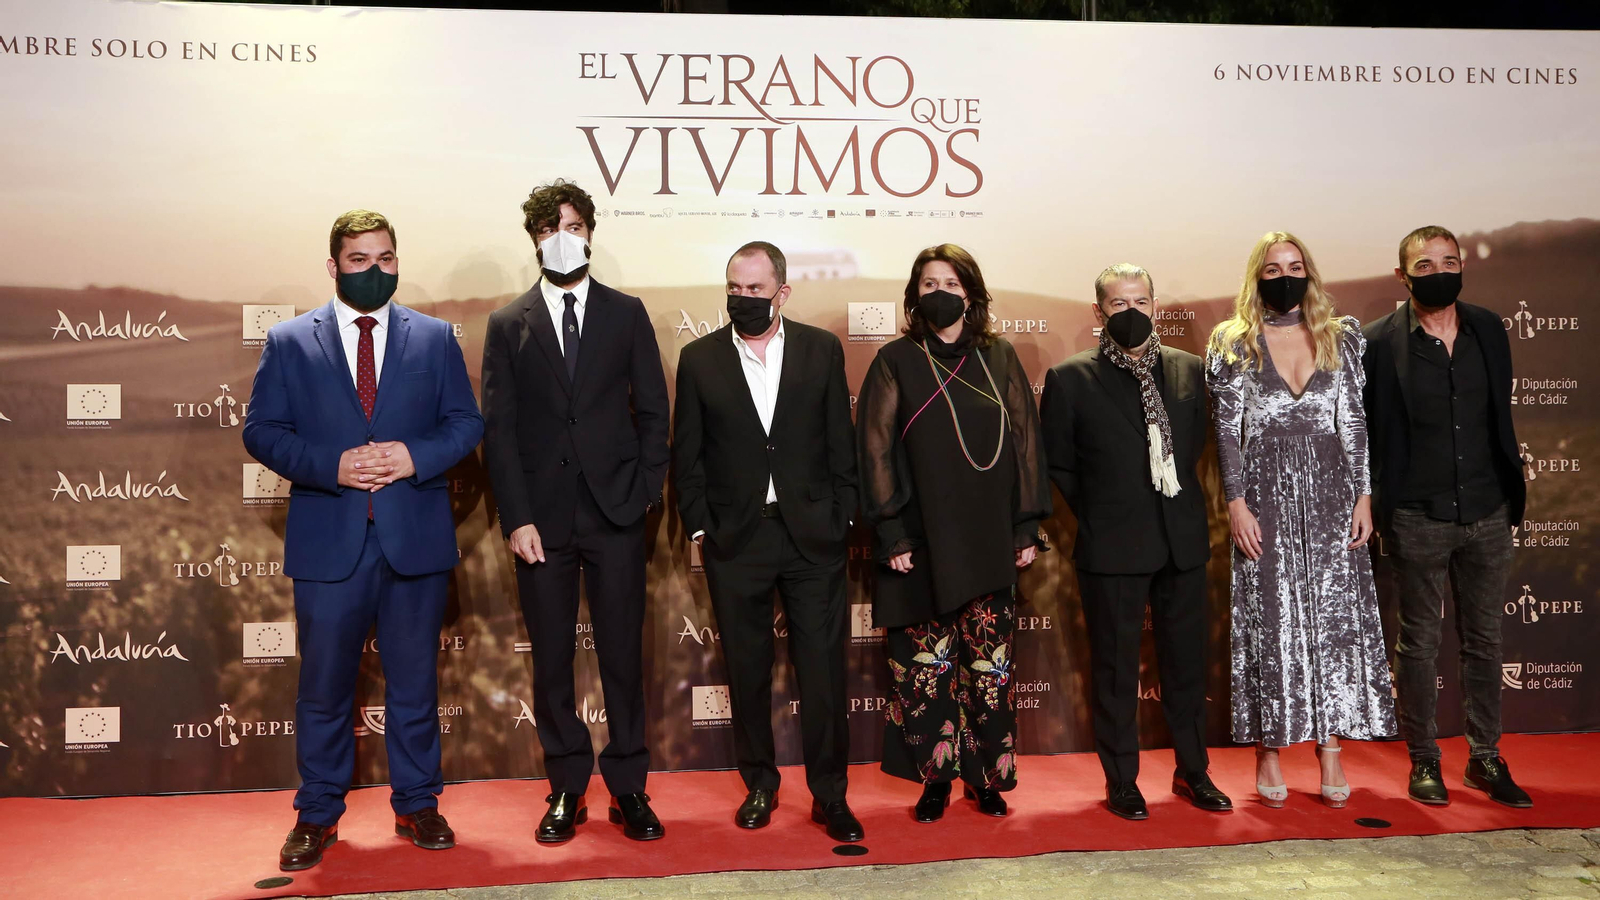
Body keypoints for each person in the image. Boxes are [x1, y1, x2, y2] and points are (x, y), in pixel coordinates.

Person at [243, 210, 484, 871]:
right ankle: (317, 814)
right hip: (329, 540)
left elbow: (466, 423)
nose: (373, 271)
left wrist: (414, 456)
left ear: (397, 263)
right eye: (359, 260)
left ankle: (418, 804)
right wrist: (333, 466)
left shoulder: (435, 340)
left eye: (385, 259)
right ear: (333, 266)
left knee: (414, 683)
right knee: (323, 686)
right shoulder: (290, 341)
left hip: (414, 536)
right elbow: (261, 431)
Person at [481, 180, 672, 841]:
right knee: (552, 660)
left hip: (617, 513)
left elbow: (653, 410)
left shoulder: (627, 313)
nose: (561, 235)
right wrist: (516, 517)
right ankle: (565, 787)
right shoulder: (509, 324)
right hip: (542, 523)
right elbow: (498, 430)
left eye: (572, 223)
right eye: (547, 226)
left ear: (591, 231)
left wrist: (646, 492)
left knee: (623, 655)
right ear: (533, 238)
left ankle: (630, 788)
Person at [671, 241, 863, 843]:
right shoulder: (699, 358)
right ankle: (760, 783)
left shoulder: (820, 348)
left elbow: (841, 441)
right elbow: (688, 455)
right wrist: (702, 525)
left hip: (813, 537)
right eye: (735, 288)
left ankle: (830, 794)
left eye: (755, 290)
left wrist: (843, 518)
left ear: (782, 291)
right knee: (747, 670)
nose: (743, 299)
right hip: (738, 538)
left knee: (823, 673)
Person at [856, 244, 1050, 823]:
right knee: (924, 671)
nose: (940, 290)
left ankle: (985, 780)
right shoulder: (895, 360)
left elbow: (1024, 442)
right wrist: (891, 533)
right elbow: (875, 449)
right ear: (915, 295)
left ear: (971, 292)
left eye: (952, 281)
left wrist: (1027, 524)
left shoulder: (1000, 357)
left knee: (990, 670)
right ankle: (935, 781)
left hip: (990, 538)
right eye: (928, 281)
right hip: (920, 544)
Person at [1205, 232, 1396, 809]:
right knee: (1269, 620)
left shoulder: (1343, 337)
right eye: (1272, 268)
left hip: (1333, 494)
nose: (1283, 275)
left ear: (1309, 273)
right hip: (1262, 495)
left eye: (1293, 266)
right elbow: (1227, 434)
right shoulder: (1233, 341)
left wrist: (1364, 497)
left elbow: (1355, 422)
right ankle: (1268, 747)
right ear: (1256, 277)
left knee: (1332, 621)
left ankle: (1330, 748)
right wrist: (1235, 502)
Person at [1039, 263, 1231, 821]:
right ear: (1098, 312)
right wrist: (1103, 512)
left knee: (1187, 667)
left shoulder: (1191, 370)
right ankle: (1121, 779)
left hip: (1183, 542)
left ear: (1156, 305)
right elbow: (1060, 465)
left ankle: (1193, 772)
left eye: (1140, 302)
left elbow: (1194, 447)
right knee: (1116, 672)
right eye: (1118, 304)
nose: (1132, 312)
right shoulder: (1071, 378)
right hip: (1112, 545)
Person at [1362, 225, 1530, 808]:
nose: (1440, 271)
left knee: (1485, 642)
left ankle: (1485, 757)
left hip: (1488, 509)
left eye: (1449, 261)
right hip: (1417, 515)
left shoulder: (1488, 328)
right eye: (1425, 264)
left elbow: (1496, 415)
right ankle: (1424, 759)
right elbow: (1370, 432)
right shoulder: (1379, 342)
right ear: (1402, 275)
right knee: (1419, 645)